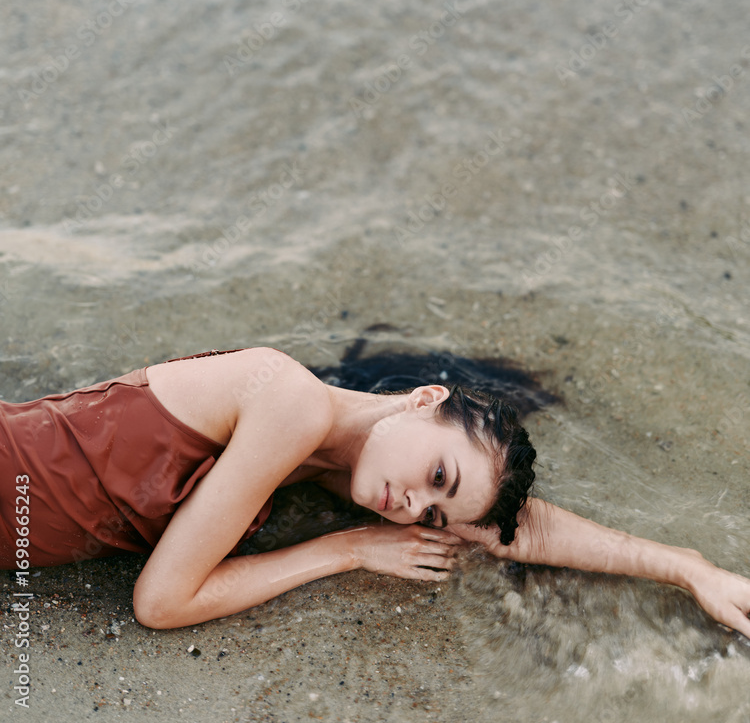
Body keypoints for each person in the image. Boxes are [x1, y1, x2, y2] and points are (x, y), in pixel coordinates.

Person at [1, 346, 749, 637]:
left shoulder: (340, 462)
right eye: (438, 476)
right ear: (424, 398)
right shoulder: (291, 405)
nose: (413, 509)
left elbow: (522, 529)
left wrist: (689, 569)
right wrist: (349, 549)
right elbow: (161, 603)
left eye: (434, 513)